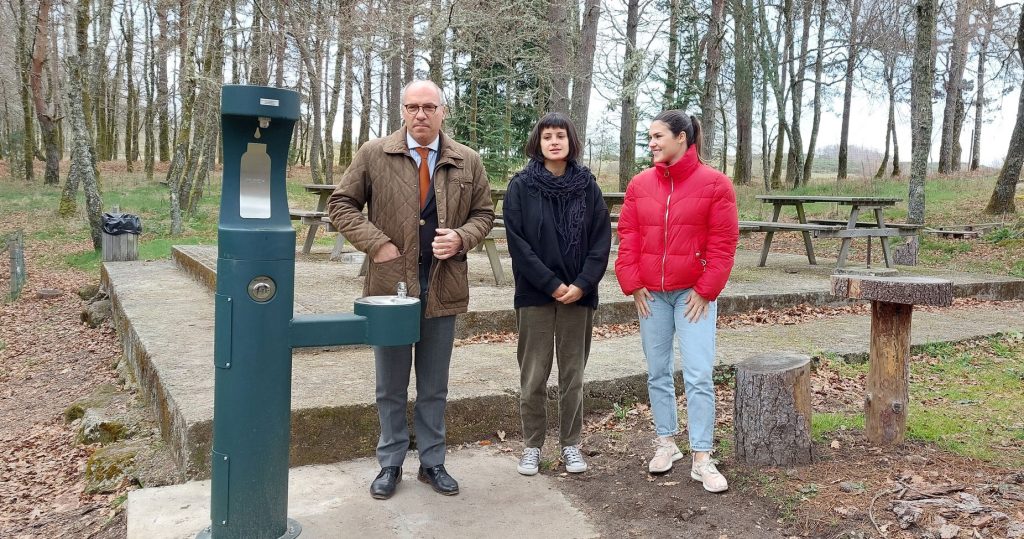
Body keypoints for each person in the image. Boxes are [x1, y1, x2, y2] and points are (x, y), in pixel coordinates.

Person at [328, 80, 495, 500]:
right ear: (402, 110)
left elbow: (485, 214)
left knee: (434, 383)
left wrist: (460, 237)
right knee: (390, 384)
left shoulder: (467, 160)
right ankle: (390, 463)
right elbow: (341, 204)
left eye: (429, 107)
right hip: (390, 291)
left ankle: (433, 462)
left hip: (443, 285)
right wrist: (376, 243)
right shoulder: (374, 153)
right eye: (412, 107)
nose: (421, 114)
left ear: (443, 111)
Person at [614, 110, 739, 493]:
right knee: (658, 372)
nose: (651, 143)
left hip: (692, 295)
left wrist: (705, 289)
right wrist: (632, 283)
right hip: (651, 294)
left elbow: (724, 242)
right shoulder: (639, 185)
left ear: (682, 137)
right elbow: (628, 236)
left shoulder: (716, 184)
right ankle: (667, 442)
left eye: (658, 136)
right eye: (649, 136)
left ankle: (702, 456)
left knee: (699, 374)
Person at [502, 113, 612, 477]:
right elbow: (518, 244)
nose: (553, 141)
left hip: (579, 296)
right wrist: (550, 284)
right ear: (538, 141)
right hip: (534, 294)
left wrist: (582, 284)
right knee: (533, 376)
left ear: (570, 142)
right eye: (547, 135)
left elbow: (600, 241)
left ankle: (571, 444)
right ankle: (532, 445)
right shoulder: (521, 186)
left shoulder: (588, 187)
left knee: (573, 376)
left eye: (560, 136)